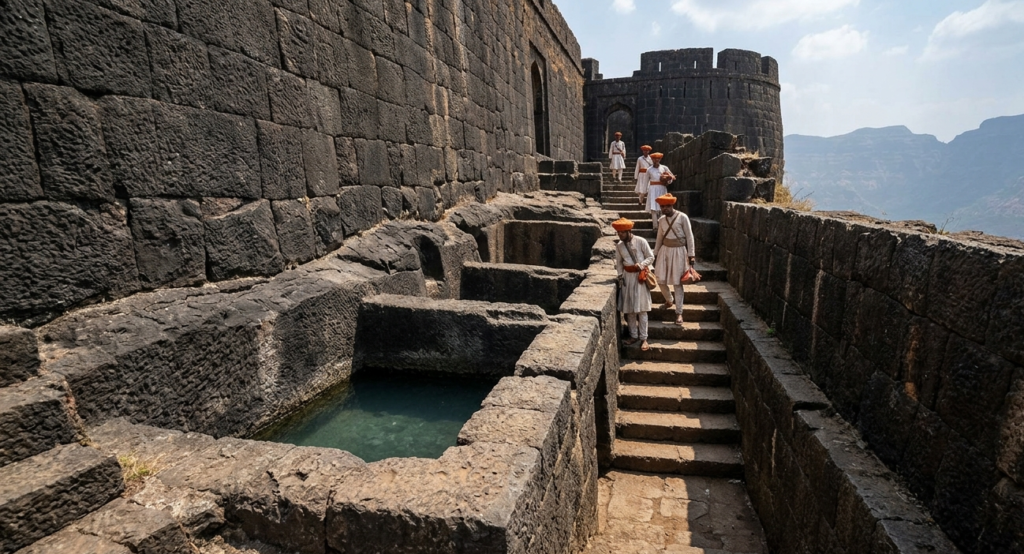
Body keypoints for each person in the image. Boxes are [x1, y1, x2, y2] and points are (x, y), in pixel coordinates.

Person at [613, 217, 655, 351]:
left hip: (640, 277)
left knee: (642, 310)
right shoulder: (619, 246)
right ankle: (633, 335)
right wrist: (620, 277)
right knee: (630, 310)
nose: (620, 235)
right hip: (627, 278)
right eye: (618, 233)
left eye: (622, 233)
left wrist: (641, 265)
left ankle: (644, 338)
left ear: (629, 231)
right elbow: (619, 263)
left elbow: (651, 257)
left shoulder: (641, 241)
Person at [653, 193, 696, 326]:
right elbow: (659, 238)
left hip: (679, 252)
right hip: (664, 251)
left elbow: (689, 236)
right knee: (660, 279)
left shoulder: (682, 217)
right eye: (662, 207)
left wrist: (691, 254)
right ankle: (669, 300)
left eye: (666, 206)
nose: (664, 209)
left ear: (672, 205)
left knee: (677, 283)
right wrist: (654, 254)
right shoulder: (661, 220)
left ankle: (679, 313)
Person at [644, 152, 675, 226]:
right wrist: (645, 191)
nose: (656, 160)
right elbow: (645, 181)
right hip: (652, 189)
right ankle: (655, 226)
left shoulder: (664, 168)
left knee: (663, 205)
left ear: (660, 159)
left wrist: (668, 179)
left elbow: (671, 177)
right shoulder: (649, 170)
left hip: (662, 188)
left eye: (658, 158)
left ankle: (662, 224)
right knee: (653, 207)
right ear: (652, 159)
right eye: (654, 159)